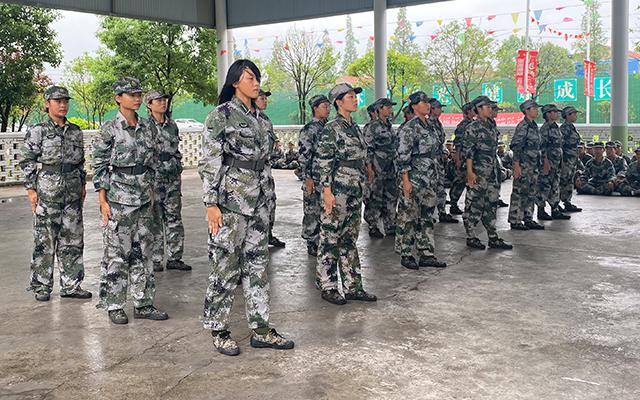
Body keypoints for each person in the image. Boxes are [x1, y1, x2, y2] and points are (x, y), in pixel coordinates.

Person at [198, 60, 294, 356]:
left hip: (260, 203)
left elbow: (266, 161)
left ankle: (261, 329)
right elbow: (210, 162)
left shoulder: (263, 120)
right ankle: (218, 328)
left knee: (257, 266)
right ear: (235, 82)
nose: (256, 83)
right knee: (225, 266)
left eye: (257, 78)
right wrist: (211, 203)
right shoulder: (221, 116)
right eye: (250, 77)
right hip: (231, 203)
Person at [92, 77, 168, 324]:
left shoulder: (147, 127)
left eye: (138, 94)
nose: (136, 98)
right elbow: (100, 166)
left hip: (145, 198)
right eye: (130, 94)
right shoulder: (110, 129)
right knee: (117, 253)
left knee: (144, 252)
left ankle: (143, 303)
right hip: (119, 199)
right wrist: (103, 201)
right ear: (118, 97)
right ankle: (114, 304)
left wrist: (154, 192)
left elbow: (154, 161)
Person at [19, 86, 91, 302]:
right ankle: (41, 286)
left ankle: (71, 285)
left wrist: (82, 185)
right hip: (48, 192)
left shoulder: (75, 131)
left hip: (71, 193)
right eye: (58, 100)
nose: (62, 104)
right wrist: (31, 189)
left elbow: (79, 161)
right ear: (47, 103)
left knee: (73, 240)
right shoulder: (38, 130)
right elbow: (27, 160)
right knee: (45, 241)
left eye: (65, 101)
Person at [316, 83, 377, 305]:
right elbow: (323, 162)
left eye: (355, 97)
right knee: (330, 237)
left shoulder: (355, 127)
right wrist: (327, 192)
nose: (355, 100)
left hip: (355, 190)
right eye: (350, 97)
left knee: (349, 238)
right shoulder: (332, 128)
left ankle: (353, 286)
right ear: (339, 102)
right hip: (338, 191)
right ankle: (328, 285)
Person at [396, 91, 447, 270]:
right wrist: (406, 180)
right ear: (414, 106)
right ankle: (406, 252)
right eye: (423, 102)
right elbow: (402, 155)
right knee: (408, 215)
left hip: (430, 177)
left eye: (427, 102)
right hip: (414, 177)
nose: (427, 105)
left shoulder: (430, 126)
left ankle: (426, 252)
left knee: (427, 216)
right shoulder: (409, 128)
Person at [144, 91, 191, 272]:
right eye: (159, 100)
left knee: (174, 218)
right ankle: (155, 259)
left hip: (171, 178)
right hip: (154, 179)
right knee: (155, 219)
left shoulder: (172, 125)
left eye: (164, 100)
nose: (163, 103)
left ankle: (175, 257)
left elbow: (176, 151)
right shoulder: (145, 126)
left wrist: (178, 175)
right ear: (149, 104)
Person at [462, 96, 512, 250]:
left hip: (492, 172)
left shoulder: (491, 125)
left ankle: (492, 237)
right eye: (487, 106)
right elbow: (468, 152)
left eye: (491, 107)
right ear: (479, 109)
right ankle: (471, 236)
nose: (491, 109)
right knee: (475, 204)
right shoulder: (473, 127)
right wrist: (470, 172)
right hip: (478, 172)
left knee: (491, 203)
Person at [298, 95, 331, 256]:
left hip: (326, 177)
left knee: (325, 209)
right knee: (312, 209)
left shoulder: (329, 127)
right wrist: (307, 177)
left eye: (328, 106)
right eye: (324, 106)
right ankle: (312, 241)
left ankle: (323, 239)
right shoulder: (309, 129)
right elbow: (304, 155)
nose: (328, 109)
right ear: (315, 108)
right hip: (313, 175)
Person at [363, 98, 399, 238]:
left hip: (391, 167)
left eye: (391, 107)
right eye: (388, 107)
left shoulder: (389, 125)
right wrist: (370, 169)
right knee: (375, 197)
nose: (390, 109)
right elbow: (368, 149)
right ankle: (373, 225)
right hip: (377, 167)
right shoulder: (372, 126)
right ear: (379, 109)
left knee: (391, 196)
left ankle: (390, 224)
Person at [508, 100, 545, 231]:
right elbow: (516, 146)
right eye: (534, 108)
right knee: (519, 192)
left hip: (533, 165)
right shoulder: (523, 126)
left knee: (531, 192)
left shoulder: (534, 126)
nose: (537, 110)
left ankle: (528, 217)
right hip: (523, 165)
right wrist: (516, 166)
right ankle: (515, 219)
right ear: (527, 110)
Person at [255, 89, 286, 248]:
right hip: (251, 170)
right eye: (262, 98)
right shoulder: (248, 119)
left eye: (266, 98)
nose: (265, 101)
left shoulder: (266, 120)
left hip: (266, 169)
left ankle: (268, 234)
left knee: (270, 202)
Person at [536, 104, 570, 221]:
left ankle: (555, 209)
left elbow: (559, 146)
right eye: (554, 112)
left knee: (555, 186)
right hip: (548, 162)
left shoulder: (555, 127)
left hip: (556, 162)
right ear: (548, 114)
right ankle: (541, 210)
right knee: (545, 186)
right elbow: (542, 147)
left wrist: (561, 162)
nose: (557, 114)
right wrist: (545, 162)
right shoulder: (545, 129)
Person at [428, 98, 458, 223]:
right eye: (438, 108)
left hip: (439, 161)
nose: (440, 110)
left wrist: (444, 152)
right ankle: (427, 215)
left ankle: (442, 212)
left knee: (440, 187)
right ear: (431, 109)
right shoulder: (427, 123)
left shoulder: (437, 123)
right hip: (429, 162)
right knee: (430, 188)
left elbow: (440, 142)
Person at [449, 102, 476, 215]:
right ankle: (453, 204)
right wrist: (458, 158)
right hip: (463, 157)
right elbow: (458, 143)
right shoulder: (463, 125)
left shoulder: (473, 124)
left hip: (470, 158)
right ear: (468, 111)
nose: (474, 112)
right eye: (472, 110)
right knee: (459, 181)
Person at [558, 106, 583, 212]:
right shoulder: (564, 129)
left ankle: (567, 202)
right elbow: (560, 145)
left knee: (569, 181)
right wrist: (562, 160)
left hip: (572, 159)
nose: (576, 116)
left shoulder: (571, 127)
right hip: (566, 159)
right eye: (574, 114)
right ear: (568, 115)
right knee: (562, 181)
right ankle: (556, 203)